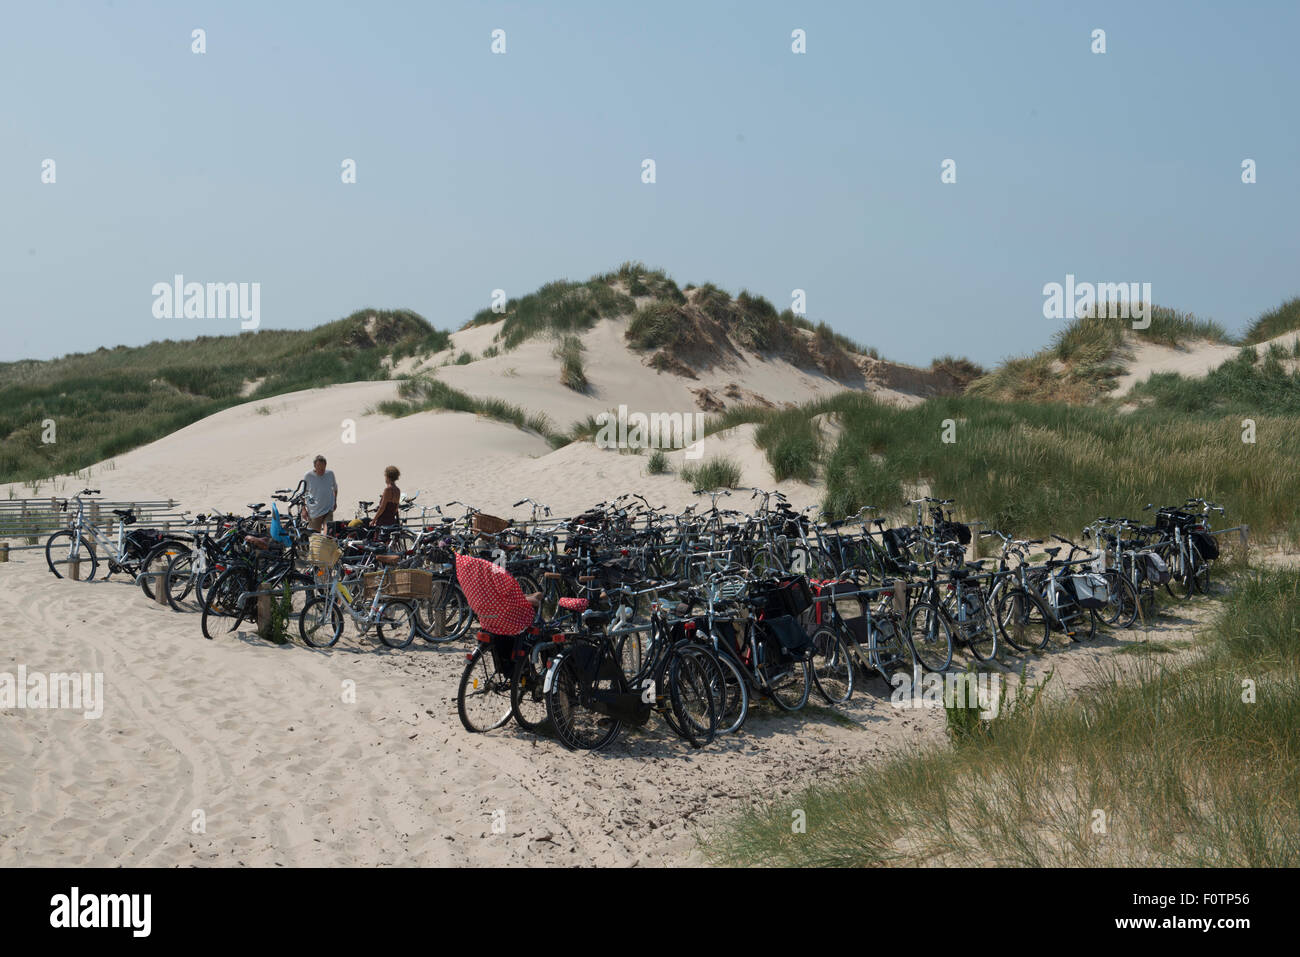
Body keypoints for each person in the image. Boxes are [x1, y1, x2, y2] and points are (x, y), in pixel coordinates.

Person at [303, 455, 338, 533]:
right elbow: (303, 493)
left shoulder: (330, 474)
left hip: (328, 509)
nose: (321, 470)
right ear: (315, 466)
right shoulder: (308, 476)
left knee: (328, 534)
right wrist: (304, 510)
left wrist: (335, 501)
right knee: (315, 537)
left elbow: (335, 488)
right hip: (314, 511)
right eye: (319, 467)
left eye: (323, 468)